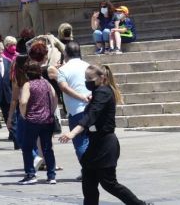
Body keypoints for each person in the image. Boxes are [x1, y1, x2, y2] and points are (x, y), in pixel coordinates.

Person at [59, 65, 149, 205]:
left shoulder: (103, 92)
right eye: (85, 78)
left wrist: (73, 133)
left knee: (109, 183)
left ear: (102, 78)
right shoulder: (99, 91)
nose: (86, 81)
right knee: (88, 182)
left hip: (105, 145)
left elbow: (92, 114)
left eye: (90, 78)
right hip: (95, 143)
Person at [17, 59, 58, 185]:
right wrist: (51, 111)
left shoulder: (28, 85)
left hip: (32, 120)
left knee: (27, 147)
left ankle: (30, 174)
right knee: (47, 148)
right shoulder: (46, 83)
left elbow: (23, 102)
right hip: (47, 120)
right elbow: (55, 97)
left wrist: (23, 114)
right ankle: (51, 176)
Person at [57, 41, 91, 171]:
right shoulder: (88, 66)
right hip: (91, 109)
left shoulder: (63, 70)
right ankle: (90, 170)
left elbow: (64, 88)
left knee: (80, 143)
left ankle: (88, 171)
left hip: (76, 110)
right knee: (91, 141)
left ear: (65, 53)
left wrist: (80, 97)